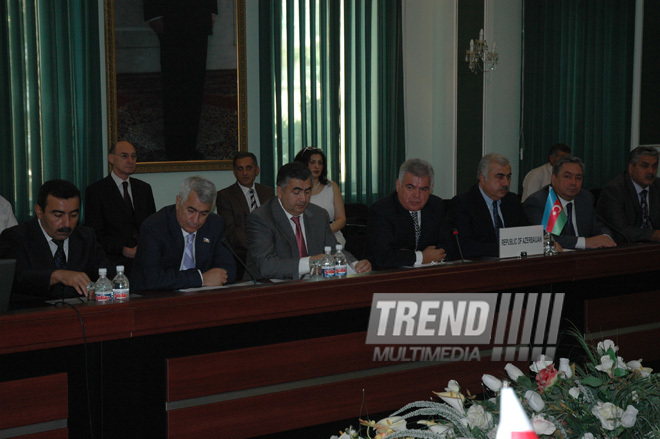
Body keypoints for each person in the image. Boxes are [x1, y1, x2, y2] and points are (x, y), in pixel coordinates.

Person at [246, 162, 371, 280]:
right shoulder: (261, 218)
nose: (303, 199)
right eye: (296, 192)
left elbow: (334, 250)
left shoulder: (319, 214)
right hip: (270, 290)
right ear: (280, 191)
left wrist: (355, 264)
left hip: (313, 286)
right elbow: (267, 265)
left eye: (307, 191)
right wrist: (311, 262)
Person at [0, 179, 111, 302]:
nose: (67, 223)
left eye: (73, 215)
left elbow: (108, 274)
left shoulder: (87, 237)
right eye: (58, 215)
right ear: (39, 212)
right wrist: (56, 275)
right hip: (33, 315)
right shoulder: (16, 237)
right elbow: (16, 279)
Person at [131, 176, 236, 291]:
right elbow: (153, 279)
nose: (196, 220)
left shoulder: (215, 224)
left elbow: (229, 270)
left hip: (200, 298)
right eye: (191, 211)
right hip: (156, 299)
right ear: (178, 202)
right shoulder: (154, 227)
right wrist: (201, 278)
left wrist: (213, 277)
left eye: (204, 213)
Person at [144, 0, 218, 160]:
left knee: (195, 84)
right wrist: (152, 13)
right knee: (173, 84)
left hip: (198, 16)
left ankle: (190, 146)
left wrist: (211, 9)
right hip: (170, 17)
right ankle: (173, 148)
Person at [85, 141, 156, 276]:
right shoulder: (97, 191)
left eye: (133, 156)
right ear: (111, 159)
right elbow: (94, 234)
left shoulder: (143, 188)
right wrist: (122, 249)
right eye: (124, 156)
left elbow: (152, 225)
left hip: (144, 259)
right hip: (113, 262)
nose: (130, 161)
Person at [366, 158, 453, 269]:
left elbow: (448, 246)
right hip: (393, 277)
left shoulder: (437, 206)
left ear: (430, 189)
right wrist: (422, 257)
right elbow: (383, 257)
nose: (416, 195)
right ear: (398, 185)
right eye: (410, 187)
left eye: (423, 189)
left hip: (429, 273)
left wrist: (405, 255)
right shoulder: (381, 210)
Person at [524, 156, 616, 250]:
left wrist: (606, 237)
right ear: (553, 178)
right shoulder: (540, 202)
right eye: (567, 176)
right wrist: (585, 242)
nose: (573, 182)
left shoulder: (585, 198)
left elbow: (599, 226)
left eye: (578, 178)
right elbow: (546, 238)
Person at [450, 153, 529, 258]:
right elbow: (465, 247)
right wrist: (507, 249)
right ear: (482, 178)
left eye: (508, 177)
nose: (506, 183)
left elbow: (527, 232)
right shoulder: (463, 203)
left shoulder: (512, 200)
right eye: (499, 177)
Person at [216, 152, 274, 279]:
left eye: (249, 168)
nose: (245, 173)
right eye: (240, 169)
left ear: (257, 170)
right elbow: (231, 231)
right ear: (234, 172)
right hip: (243, 255)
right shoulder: (225, 196)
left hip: (271, 252)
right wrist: (258, 245)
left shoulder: (268, 192)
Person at [596, 146, 660, 243]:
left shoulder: (658, 186)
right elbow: (622, 231)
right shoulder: (614, 191)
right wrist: (654, 235)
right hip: (626, 248)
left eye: (654, 166)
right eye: (644, 166)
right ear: (631, 168)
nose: (651, 171)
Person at [294, 147, 347, 246]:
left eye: (320, 163)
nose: (317, 166)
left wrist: (323, 232)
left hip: (331, 235)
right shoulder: (295, 189)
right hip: (302, 237)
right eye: (312, 162)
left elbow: (341, 219)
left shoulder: (332, 186)